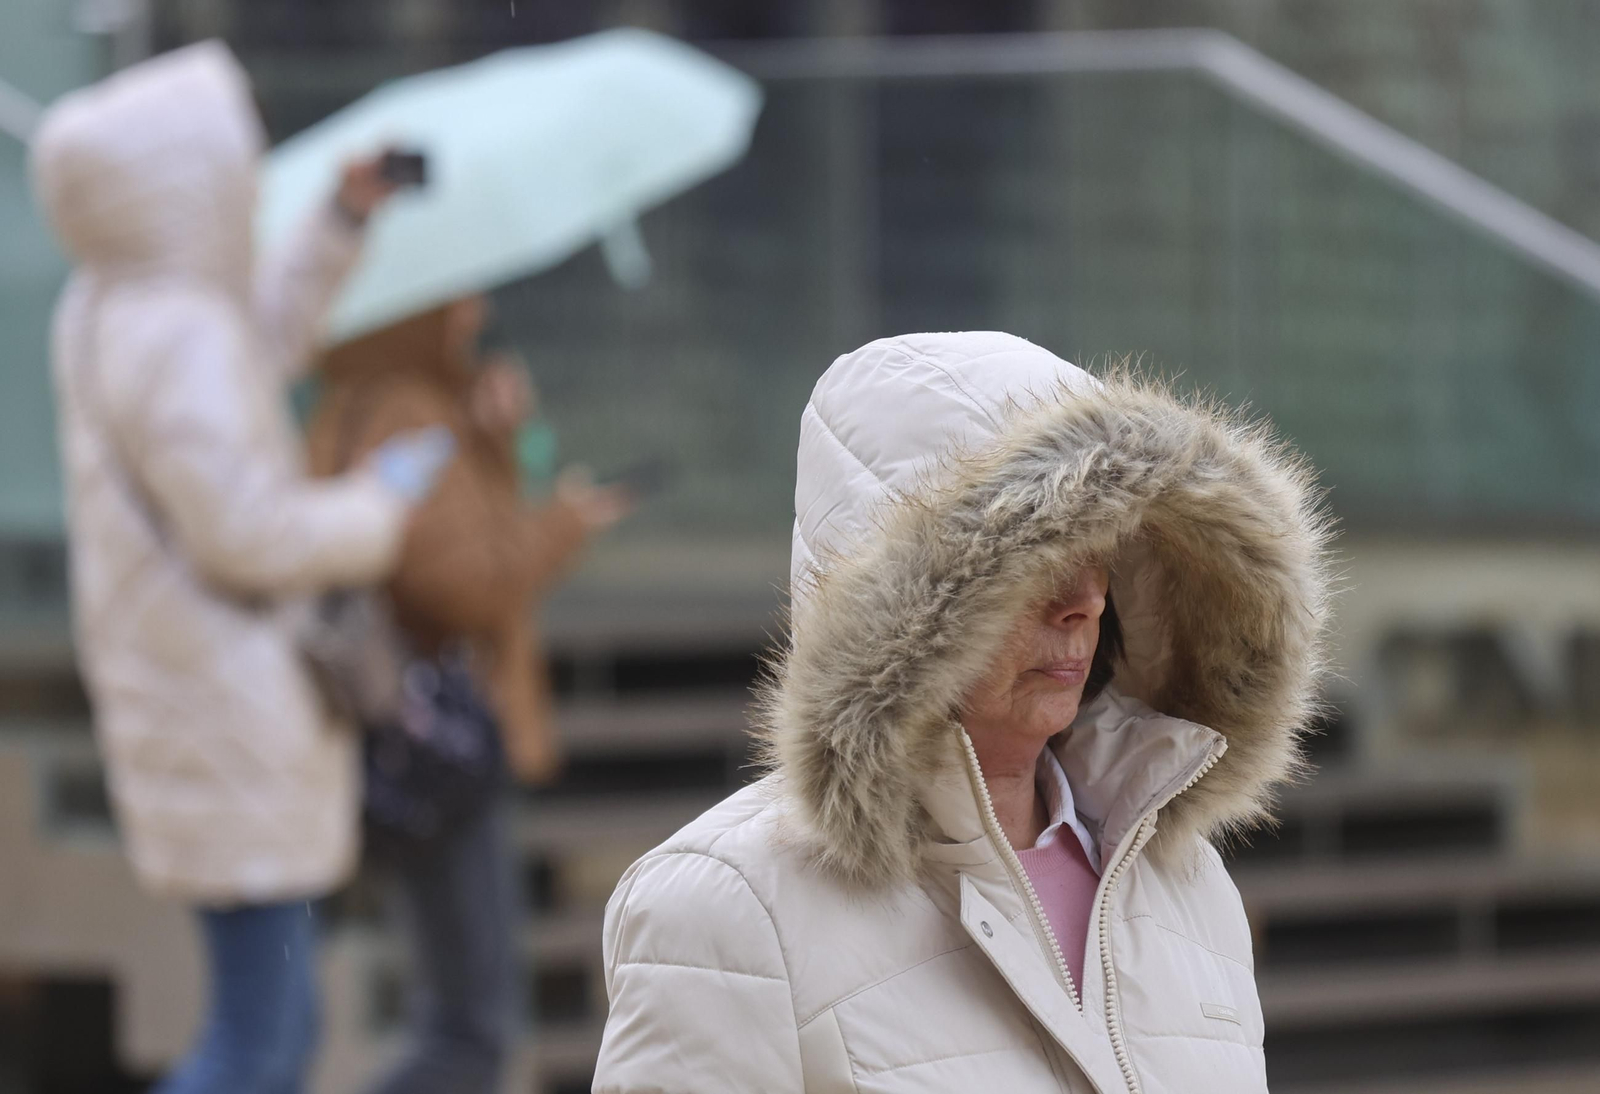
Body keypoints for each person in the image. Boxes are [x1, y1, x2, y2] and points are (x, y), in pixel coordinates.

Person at [593, 332, 1333, 1093]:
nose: (1085, 599)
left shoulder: (1191, 889)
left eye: (1101, 544)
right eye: (1034, 555)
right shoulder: (728, 910)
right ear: (900, 615)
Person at [31, 41, 452, 1094]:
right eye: (234, 161)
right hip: (228, 713)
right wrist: (377, 509)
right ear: (182, 182)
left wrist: (339, 221)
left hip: (200, 707)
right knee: (259, 1044)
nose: (251, 183)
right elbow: (248, 535)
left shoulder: (116, 306)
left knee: (268, 1030)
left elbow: (250, 347)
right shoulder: (173, 333)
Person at [307, 296, 629, 1094]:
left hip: (399, 731)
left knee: (458, 1020)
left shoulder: (359, 404)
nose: (477, 314)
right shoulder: (411, 413)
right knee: (470, 1032)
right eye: (459, 304)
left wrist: (492, 439)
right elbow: (463, 584)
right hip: (437, 737)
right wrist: (563, 524)